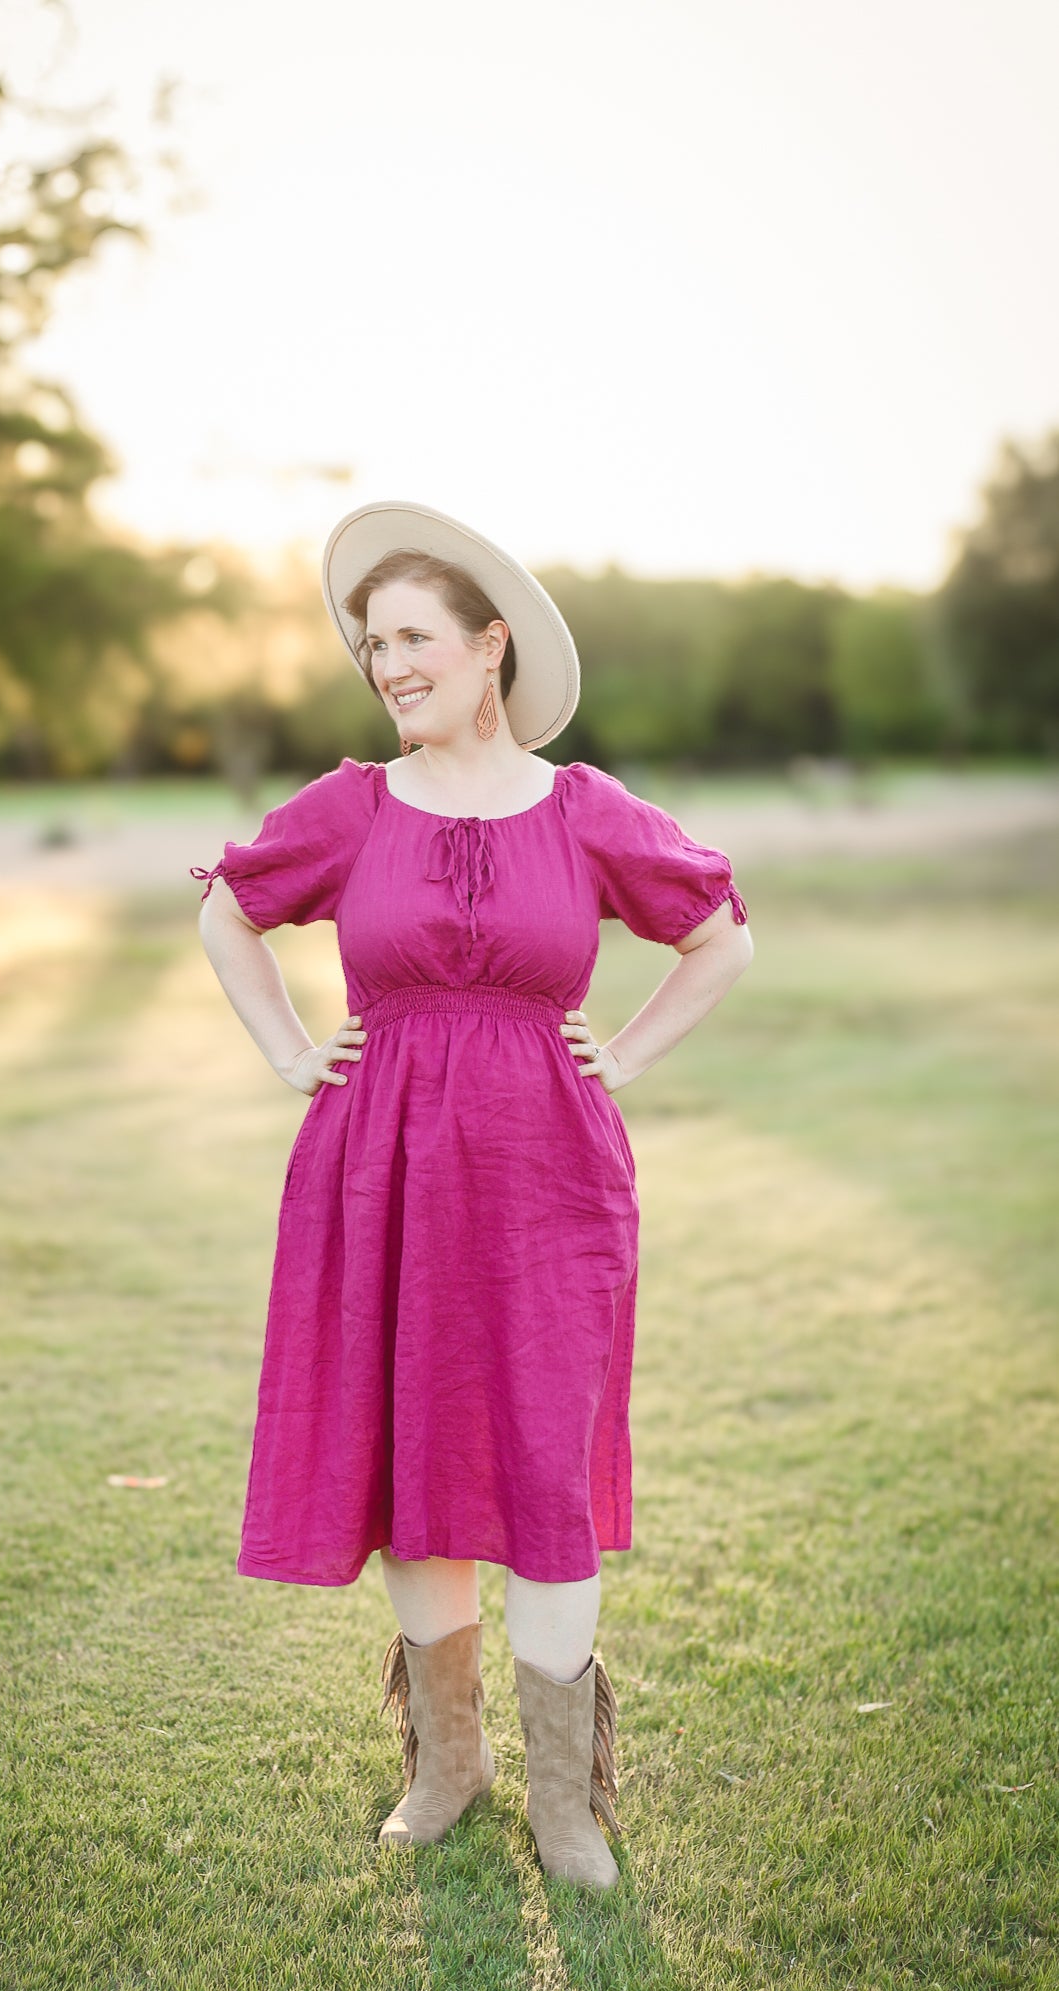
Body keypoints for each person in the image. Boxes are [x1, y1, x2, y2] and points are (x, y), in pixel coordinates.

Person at [190, 502, 753, 1889]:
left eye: (414, 637)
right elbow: (229, 908)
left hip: (549, 1181)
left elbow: (719, 937)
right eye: (371, 644)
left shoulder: (588, 811)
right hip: (371, 1168)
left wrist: (620, 1055)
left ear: (489, 647)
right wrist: (283, 1049)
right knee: (414, 1460)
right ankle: (449, 1765)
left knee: (543, 1470)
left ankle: (567, 1802)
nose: (387, 664)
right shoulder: (351, 807)